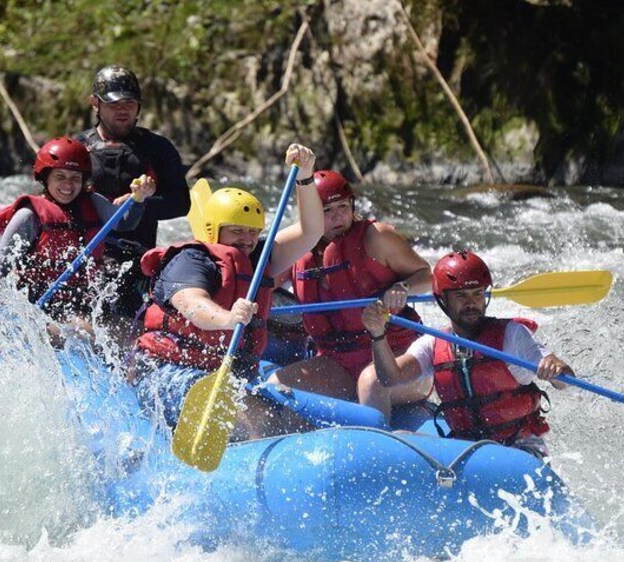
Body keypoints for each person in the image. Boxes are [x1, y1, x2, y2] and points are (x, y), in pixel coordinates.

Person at [129, 144, 323, 436]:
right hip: (163, 370)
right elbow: (192, 304)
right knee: (254, 417)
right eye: (237, 230)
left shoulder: (258, 258)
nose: (247, 239)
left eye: (253, 231)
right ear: (213, 229)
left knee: (291, 422)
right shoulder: (191, 260)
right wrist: (227, 319)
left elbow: (311, 231)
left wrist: (305, 176)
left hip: (226, 375)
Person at [360, 250, 571, 458]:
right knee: (399, 439)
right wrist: (378, 334)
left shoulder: (512, 335)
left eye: (477, 294)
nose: (471, 303)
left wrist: (556, 369)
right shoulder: (432, 344)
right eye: (461, 296)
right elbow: (390, 377)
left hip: (518, 449)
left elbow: (564, 381)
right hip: (465, 449)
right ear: (443, 300)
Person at [266, 170, 432, 411]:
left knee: (371, 382)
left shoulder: (377, 237)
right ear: (310, 216)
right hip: (338, 360)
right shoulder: (296, 251)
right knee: (277, 387)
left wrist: (403, 286)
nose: (338, 217)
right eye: (327, 211)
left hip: (396, 355)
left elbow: (428, 277)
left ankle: (379, 444)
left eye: (343, 206)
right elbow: (262, 284)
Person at [0, 136, 155, 341]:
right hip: (39, 306)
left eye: (75, 178)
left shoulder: (92, 202)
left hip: (85, 303)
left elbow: (122, 223)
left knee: (138, 333)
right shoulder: (28, 216)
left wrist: (138, 200)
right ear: (45, 177)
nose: (68, 185)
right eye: (60, 176)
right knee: (88, 333)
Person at [75, 65, 190, 318]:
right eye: (114, 104)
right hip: (87, 257)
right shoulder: (76, 150)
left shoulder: (157, 149)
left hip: (136, 259)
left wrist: (141, 202)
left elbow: (182, 203)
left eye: (130, 103)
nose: (123, 109)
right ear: (95, 103)